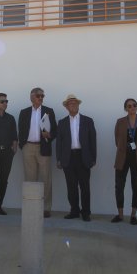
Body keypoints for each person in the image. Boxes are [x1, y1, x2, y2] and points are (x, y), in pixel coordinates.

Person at [56, 94, 96, 222]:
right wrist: (59, 159)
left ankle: (86, 212)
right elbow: (59, 143)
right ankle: (74, 211)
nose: (72, 105)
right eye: (70, 103)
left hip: (83, 157)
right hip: (68, 158)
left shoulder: (88, 121)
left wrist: (93, 158)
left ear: (78, 105)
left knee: (84, 186)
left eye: (75, 103)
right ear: (66, 107)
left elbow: (92, 140)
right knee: (71, 186)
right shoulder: (61, 123)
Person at [18, 87, 57, 218]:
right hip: (28, 147)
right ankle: (31, 206)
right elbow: (21, 129)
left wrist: (49, 134)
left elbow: (55, 131)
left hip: (43, 147)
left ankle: (46, 207)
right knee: (30, 179)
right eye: (38, 96)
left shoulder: (49, 111)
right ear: (32, 97)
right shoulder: (24, 112)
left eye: (42, 96)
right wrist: (22, 145)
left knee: (46, 178)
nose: (41, 98)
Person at [113, 98, 137, 225]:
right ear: (126, 108)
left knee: (136, 186)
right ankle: (120, 215)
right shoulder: (120, 122)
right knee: (119, 186)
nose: (132, 107)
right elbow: (116, 139)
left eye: (134, 105)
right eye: (129, 106)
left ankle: (133, 215)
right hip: (122, 157)